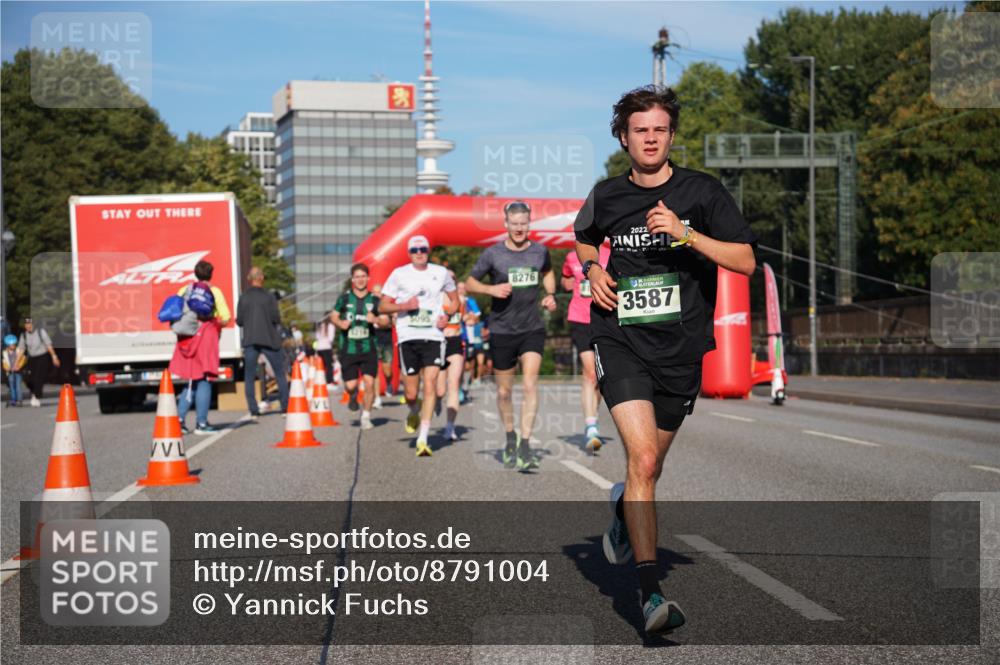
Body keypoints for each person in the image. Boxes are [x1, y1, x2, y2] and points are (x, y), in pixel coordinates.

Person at [576, 85, 756, 635]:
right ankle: (650, 594)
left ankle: (620, 514)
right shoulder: (606, 195)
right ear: (624, 138)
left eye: (659, 130)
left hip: (680, 350)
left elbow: (746, 261)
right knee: (644, 461)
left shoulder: (702, 192)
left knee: (650, 465)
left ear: (670, 136)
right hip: (620, 339)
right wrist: (592, 270)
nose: (650, 138)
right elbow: (584, 238)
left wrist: (687, 234)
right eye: (639, 130)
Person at [466, 201, 556, 470]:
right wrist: (490, 290)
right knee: (504, 392)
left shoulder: (540, 251)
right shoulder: (493, 254)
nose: (519, 228)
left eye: (524, 224)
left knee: (530, 385)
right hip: (501, 330)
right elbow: (469, 282)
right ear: (506, 224)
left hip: (531, 328)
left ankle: (525, 445)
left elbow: (548, 272)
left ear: (530, 224)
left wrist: (550, 294)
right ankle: (510, 436)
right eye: (514, 224)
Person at [379, 235, 457, 456]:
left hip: (433, 335)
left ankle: (423, 439)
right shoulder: (399, 274)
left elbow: (454, 300)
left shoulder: (440, 273)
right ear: (409, 253)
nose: (419, 253)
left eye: (423, 249)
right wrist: (404, 305)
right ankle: (413, 409)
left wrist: (448, 316)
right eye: (415, 250)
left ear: (428, 250)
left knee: (430, 384)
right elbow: (382, 305)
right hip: (407, 336)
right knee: (412, 393)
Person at [170, 260, 231, 434]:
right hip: (206, 337)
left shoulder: (184, 290)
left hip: (186, 337)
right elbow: (225, 317)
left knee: (190, 378)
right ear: (211, 274)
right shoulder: (214, 291)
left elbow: (176, 311)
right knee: (204, 379)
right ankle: (201, 423)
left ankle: (180, 421)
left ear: (195, 273)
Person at [562, 244, 612, 451]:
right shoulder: (572, 256)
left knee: (600, 376)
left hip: (604, 317)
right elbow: (565, 280)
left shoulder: (612, 253)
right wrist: (570, 282)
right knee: (590, 373)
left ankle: (593, 415)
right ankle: (591, 425)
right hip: (580, 319)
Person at [331, 263, 389, 431]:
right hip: (348, 348)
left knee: (370, 383)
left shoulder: (375, 300)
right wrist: (340, 323)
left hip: (368, 347)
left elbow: (387, 321)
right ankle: (353, 395)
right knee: (350, 385)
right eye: (357, 277)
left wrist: (377, 320)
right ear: (352, 279)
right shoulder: (344, 298)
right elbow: (334, 316)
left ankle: (366, 416)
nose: (360, 280)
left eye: (363, 276)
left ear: (368, 278)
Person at [236, 266, 289, 419]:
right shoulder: (269, 297)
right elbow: (276, 319)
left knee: (249, 375)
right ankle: (284, 407)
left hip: (251, 339)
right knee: (279, 372)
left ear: (249, 278)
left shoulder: (243, 297)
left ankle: (253, 409)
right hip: (269, 339)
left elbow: (239, 321)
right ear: (262, 278)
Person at [435, 277, 476, 441]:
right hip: (437, 344)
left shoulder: (460, 301)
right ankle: (437, 400)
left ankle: (450, 427)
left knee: (453, 385)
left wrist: (470, 319)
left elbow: (466, 318)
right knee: (440, 390)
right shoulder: (435, 299)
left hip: (455, 343)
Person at [17, 317, 61, 407]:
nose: (28, 326)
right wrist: (16, 362)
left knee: (39, 378)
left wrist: (54, 356)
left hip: (42, 357)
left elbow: (48, 345)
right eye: (26, 325)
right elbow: (21, 349)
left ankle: (36, 396)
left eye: (29, 324)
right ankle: (33, 392)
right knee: (28, 378)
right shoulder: (24, 335)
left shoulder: (41, 332)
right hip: (32, 358)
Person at [371, 283, 394, 406]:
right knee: (374, 372)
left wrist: (384, 322)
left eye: (378, 292)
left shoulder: (387, 307)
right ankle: (377, 398)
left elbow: (393, 322)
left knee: (387, 371)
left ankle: (389, 383)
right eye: (374, 292)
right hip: (373, 341)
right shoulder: (368, 307)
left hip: (386, 341)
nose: (376, 294)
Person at [314, 314, 336, 392]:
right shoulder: (331, 326)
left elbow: (317, 337)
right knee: (329, 366)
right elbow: (331, 339)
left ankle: (321, 381)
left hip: (319, 348)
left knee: (321, 366)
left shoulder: (320, 326)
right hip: (327, 348)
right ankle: (329, 382)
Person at [3, 334, 25, 407]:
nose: (13, 346)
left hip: (18, 372)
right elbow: (4, 362)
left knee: (18, 386)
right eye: (12, 345)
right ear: (8, 345)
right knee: (12, 386)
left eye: (14, 344)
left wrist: (19, 366)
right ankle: (13, 399)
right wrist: (7, 368)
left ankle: (19, 400)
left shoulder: (18, 351)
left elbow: (23, 359)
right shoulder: (5, 353)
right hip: (10, 372)